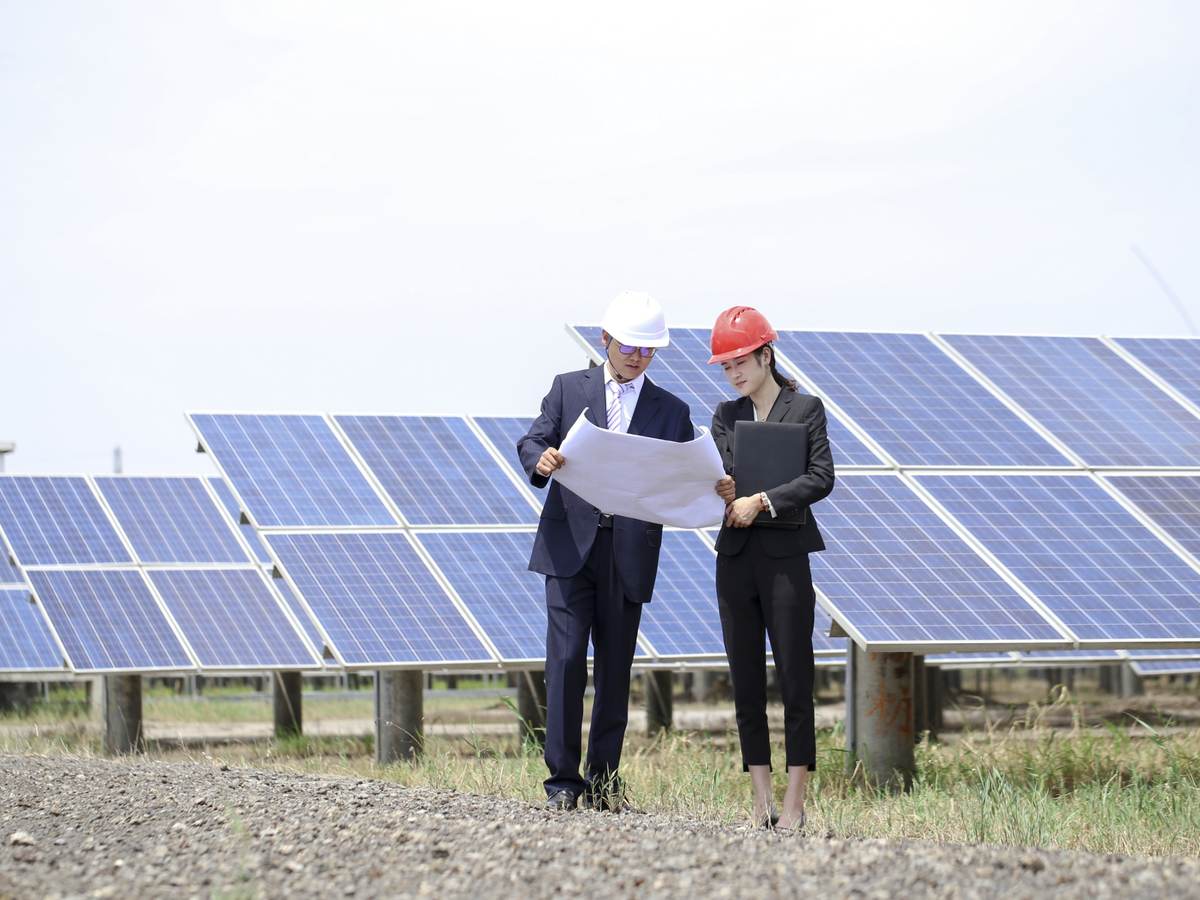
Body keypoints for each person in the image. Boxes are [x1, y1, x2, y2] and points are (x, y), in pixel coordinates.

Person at [518, 291, 693, 812]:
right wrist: (542, 459)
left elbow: (685, 475)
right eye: (630, 347)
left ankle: (602, 781)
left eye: (649, 350)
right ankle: (563, 782)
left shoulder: (672, 410)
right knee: (567, 663)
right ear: (606, 340)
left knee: (615, 671)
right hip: (570, 549)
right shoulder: (568, 389)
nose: (638, 357)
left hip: (630, 552)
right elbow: (531, 440)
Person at [707, 306, 835, 831]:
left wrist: (761, 500)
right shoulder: (723, 415)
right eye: (726, 366)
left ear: (765, 354)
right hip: (736, 559)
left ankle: (794, 803)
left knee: (794, 676)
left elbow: (821, 477)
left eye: (741, 361)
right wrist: (720, 487)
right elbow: (716, 472)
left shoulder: (805, 409)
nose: (734, 373)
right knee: (745, 680)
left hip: (786, 559)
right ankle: (760, 798)